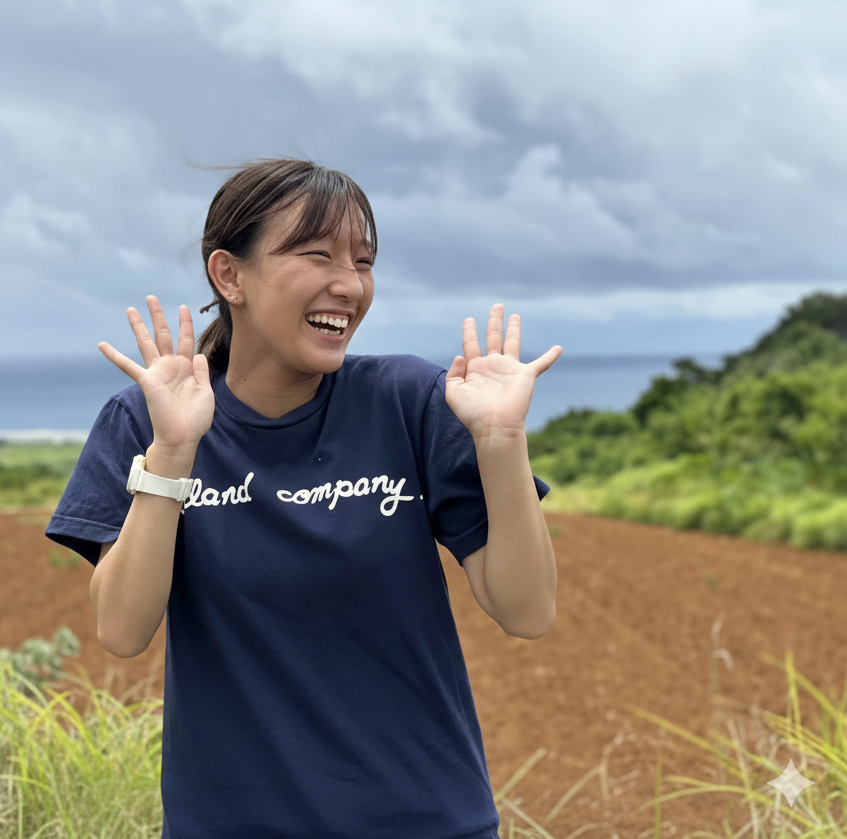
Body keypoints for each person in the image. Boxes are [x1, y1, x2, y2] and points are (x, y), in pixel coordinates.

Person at [45, 159, 561, 839]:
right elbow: (121, 630)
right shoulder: (144, 421)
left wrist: (500, 441)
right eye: (316, 255)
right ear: (229, 275)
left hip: (428, 821)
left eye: (364, 261)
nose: (348, 284)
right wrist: (173, 453)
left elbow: (526, 610)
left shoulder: (408, 404)